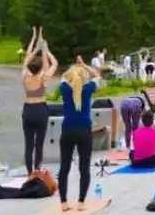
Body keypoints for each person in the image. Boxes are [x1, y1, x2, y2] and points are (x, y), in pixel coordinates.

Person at [58, 56, 100, 211]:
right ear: (84, 77)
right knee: (84, 167)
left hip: (67, 129)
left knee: (64, 167)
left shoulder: (64, 88)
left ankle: (63, 203)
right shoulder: (88, 89)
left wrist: (74, 68)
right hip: (84, 130)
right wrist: (84, 65)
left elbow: (63, 77)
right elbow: (97, 75)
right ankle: (81, 202)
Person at [21, 27, 58, 175]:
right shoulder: (43, 77)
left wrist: (35, 44)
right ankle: (37, 169)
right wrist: (45, 49)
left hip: (28, 110)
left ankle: (29, 171)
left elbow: (26, 61)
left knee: (28, 144)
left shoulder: (25, 76)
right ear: (40, 68)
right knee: (39, 143)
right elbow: (54, 63)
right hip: (41, 109)